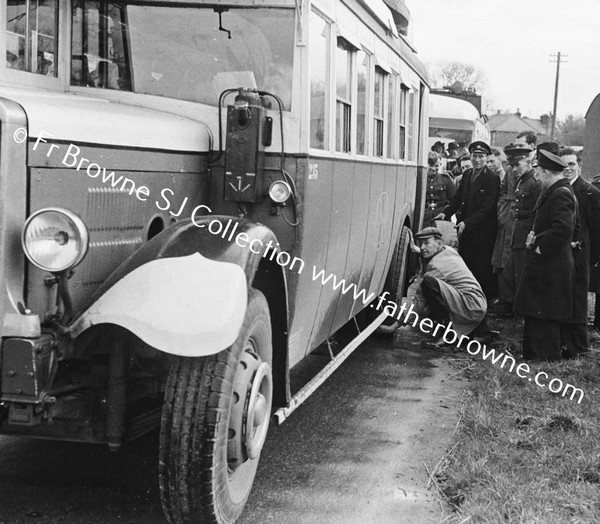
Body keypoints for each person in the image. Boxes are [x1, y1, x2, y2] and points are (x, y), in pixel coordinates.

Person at [514, 150, 576, 361]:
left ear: (548, 172)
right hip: (546, 266)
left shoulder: (561, 193)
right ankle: (534, 356)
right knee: (537, 311)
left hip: (551, 265)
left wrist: (539, 245)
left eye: (539, 171)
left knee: (546, 313)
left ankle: (545, 360)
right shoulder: (554, 190)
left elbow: (563, 228)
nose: (536, 175)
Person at [435, 140, 500, 300]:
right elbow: (457, 199)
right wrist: (445, 213)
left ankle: (481, 302)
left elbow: (487, 208)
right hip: (464, 230)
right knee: (466, 265)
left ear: (486, 158)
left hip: (482, 232)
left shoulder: (492, 178)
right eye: (474, 156)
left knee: (481, 268)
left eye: (481, 156)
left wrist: (467, 222)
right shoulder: (467, 175)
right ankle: (464, 299)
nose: (477, 160)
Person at [410, 227, 488, 348]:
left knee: (428, 284)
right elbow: (429, 251)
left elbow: (419, 302)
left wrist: (395, 325)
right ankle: (475, 332)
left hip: (471, 306)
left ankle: (448, 336)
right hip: (479, 303)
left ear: (439, 243)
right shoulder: (448, 250)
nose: (423, 247)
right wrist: (418, 250)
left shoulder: (436, 267)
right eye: (420, 244)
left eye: (426, 243)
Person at [558, 147, 600, 357]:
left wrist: (592, 259)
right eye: (563, 165)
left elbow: (596, 230)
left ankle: (577, 346)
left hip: (581, 256)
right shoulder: (558, 189)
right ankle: (562, 341)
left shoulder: (591, 193)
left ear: (579, 166)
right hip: (561, 255)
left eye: (571, 164)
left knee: (578, 300)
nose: (567, 169)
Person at [491, 144, 541, 317]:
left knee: (520, 272)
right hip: (517, 230)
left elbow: (538, 213)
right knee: (510, 271)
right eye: (511, 165)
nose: (513, 169)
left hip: (526, 232)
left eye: (517, 165)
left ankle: (517, 309)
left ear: (528, 162)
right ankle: (510, 305)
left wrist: (532, 235)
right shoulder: (523, 179)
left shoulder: (534, 182)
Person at [424, 151, 456, 226]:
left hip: (442, 217)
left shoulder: (446, 179)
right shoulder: (420, 179)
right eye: (431, 165)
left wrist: (446, 212)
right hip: (424, 217)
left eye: (436, 166)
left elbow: (454, 200)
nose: (434, 168)